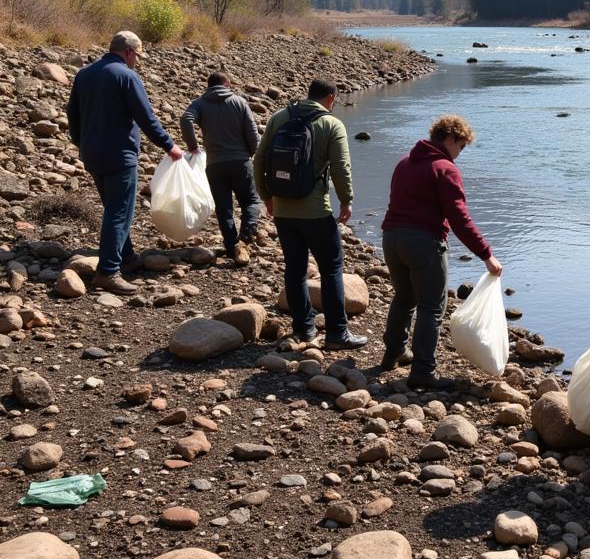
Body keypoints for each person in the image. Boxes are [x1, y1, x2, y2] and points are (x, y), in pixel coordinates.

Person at [381, 114, 502, 391]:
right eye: (461, 147)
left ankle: (394, 352)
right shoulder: (445, 168)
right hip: (424, 244)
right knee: (431, 307)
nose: (460, 154)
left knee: (404, 297)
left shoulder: (404, 162)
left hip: (391, 238)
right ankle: (423, 371)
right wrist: (486, 254)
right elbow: (459, 218)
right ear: (451, 138)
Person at [66, 29, 184, 295]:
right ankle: (108, 272)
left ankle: (126, 256)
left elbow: (72, 113)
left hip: (92, 155)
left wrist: (80, 142)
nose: (138, 62)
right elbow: (146, 118)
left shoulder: (84, 74)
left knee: (113, 208)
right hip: (120, 156)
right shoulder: (127, 76)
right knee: (120, 212)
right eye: (137, 57)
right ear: (129, 52)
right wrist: (170, 146)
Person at [253, 77, 367, 351]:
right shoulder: (331, 124)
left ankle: (304, 329)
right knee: (331, 270)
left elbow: (259, 160)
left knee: (295, 269)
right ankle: (337, 334)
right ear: (331, 98)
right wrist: (346, 200)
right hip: (316, 212)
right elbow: (341, 167)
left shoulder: (279, 117)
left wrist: (267, 198)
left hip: (283, 211)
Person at [181, 71, 261, 265]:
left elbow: (185, 119)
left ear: (209, 86)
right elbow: (252, 132)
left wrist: (193, 146)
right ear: (226, 84)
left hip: (215, 164)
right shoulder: (239, 102)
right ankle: (244, 241)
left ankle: (230, 245)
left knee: (224, 208)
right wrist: (251, 153)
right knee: (250, 202)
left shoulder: (200, 103)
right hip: (240, 162)